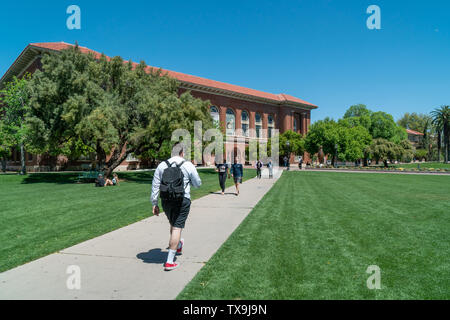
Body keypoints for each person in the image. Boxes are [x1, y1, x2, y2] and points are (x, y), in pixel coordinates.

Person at [151, 142, 202, 271]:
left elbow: (155, 186)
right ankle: (169, 262)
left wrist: (154, 203)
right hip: (182, 199)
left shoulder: (162, 165)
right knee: (177, 228)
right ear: (182, 152)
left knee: (174, 224)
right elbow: (198, 184)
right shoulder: (187, 165)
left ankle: (178, 244)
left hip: (166, 200)